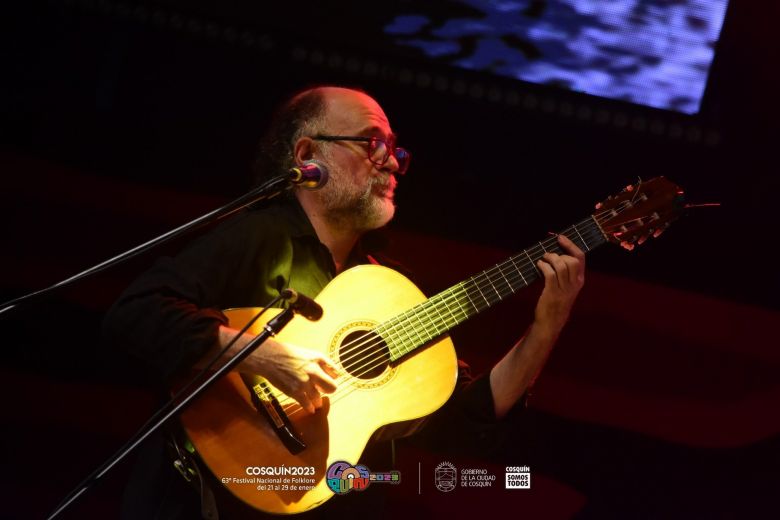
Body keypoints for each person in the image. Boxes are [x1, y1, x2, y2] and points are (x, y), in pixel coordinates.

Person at [103, 86, 585, 518]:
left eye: (396, 150)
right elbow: (138, 310)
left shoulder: (387, 286)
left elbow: (463, 422)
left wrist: (547, 326)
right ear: (309, 154)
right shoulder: (257, 235)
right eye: (372, 143)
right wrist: (265, 356)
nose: (392, 162)